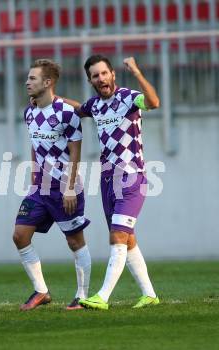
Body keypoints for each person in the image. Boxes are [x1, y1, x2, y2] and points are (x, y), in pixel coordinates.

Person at [64, 55, 160, 310]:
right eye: (95, 75)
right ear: (90, 80)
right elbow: (78, 108)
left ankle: (102, 297)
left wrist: (137, 72)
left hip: (132, 177)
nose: (101, 78)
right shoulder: (95, 105)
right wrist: (52, 99)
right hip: (108, 180)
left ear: (113, 74)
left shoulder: (129, 97)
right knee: (127, 239)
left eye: (104, 73)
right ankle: (149, 294)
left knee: (118, 236)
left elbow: (154, 102)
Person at [13, 59, 92, 311]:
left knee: (75, 242)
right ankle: (41, 291)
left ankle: (82, 295)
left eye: (33, 78)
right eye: (28, 78)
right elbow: (35, 147)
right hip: (39, 188)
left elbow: (75, 152)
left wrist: (70, 187)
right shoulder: (29, 112)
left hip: (64, 187)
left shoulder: (67, 113)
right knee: (20, 235)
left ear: (48, 83)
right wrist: (34, 176)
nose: (27, 82)